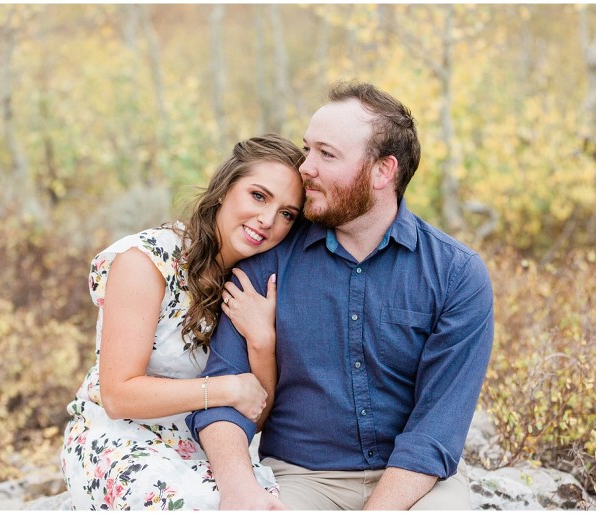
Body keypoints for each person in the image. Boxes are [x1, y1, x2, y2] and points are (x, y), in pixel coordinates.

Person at [186, 82, 494, 510]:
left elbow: (436, 429)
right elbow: (223, 400)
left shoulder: (456, 274)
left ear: (382, 171)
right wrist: (240, 490)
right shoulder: (267, 260)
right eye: (307, 148)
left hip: (414, 486)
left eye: (325, 155)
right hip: (301, 479)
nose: (304, 167)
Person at [60, 134, 305, 510]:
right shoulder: (147, 262)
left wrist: (261, 341)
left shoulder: (251, 283)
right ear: (224, 189)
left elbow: (254, 414)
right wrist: (224, 390)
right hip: (117, 438)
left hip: (201, 446)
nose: (268, 220)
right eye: (258, 195)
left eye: (287, 213)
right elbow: (117, 395)